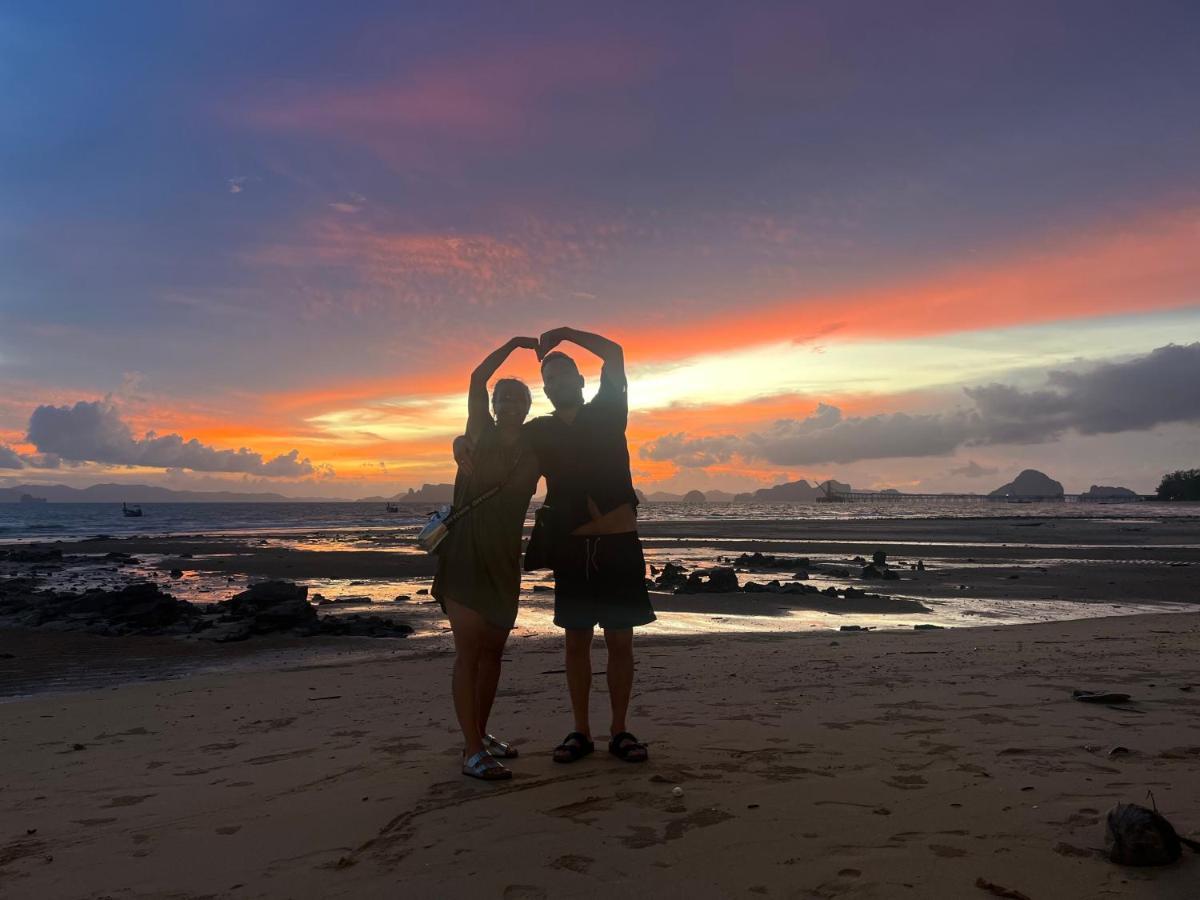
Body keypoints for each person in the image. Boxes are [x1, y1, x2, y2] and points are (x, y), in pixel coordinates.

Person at [458, 326, 655, 765]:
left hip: (619, 544)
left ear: (581, 383)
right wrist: (460, 443)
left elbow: (616, 351)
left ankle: (620, 730)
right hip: (571, 547)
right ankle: (580, 731)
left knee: (621, 643)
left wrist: (565, 335)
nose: (557, 383)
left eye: (564, 376)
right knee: (575, 643)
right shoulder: (539, 431)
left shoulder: (608, 409)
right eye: (550, 381)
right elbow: (494, 431)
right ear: (545, 391)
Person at [432, 336, 541, 780]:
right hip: (465, 555)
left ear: (528, 405)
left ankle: (479, 731)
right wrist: (515, 344)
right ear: (494, 405)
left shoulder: (536, 449)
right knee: (469, 651)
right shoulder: (479, 434)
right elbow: (477, 377)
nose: (511, 402)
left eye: (519, 397)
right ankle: (471, 751)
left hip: (504, 559)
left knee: (494, 653)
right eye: (504, 397)